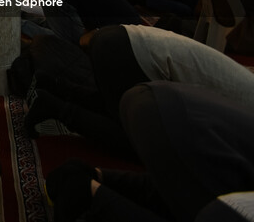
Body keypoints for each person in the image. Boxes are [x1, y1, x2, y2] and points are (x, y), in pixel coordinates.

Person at [48, 82, 254, 222]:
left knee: (180, 196)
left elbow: (173, 187)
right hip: (177, 125)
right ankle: (86, 191)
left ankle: (88, 179)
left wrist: (99, 178)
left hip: (149, 93)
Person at [26, 24, 254, 149]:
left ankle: (55, 87)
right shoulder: (247, 115)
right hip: (130, 53)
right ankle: (55, 108)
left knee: (116, 109)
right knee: (136, 141)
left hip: (121, 36)